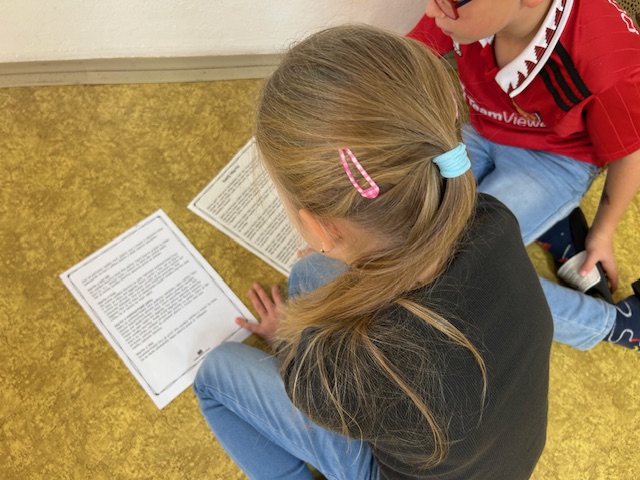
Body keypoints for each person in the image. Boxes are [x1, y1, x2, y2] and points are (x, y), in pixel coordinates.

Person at [194, 24, 553, 479]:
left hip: (415, 442)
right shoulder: (493, 218)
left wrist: (288, 344)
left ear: (318, 228)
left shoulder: (348, 365)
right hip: (501, 450)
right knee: (308, 277)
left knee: (214, 375)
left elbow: (311, 381)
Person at [408, 0, 640, 351]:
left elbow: (629, 155)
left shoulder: (607, 63)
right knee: (408, 222)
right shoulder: (464, 12)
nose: (431, 11)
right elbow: (405, 57)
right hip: (482, 130)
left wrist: (602, 233)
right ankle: (554, 225)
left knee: (456, 277)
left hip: (557, 161)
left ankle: (616, 324)